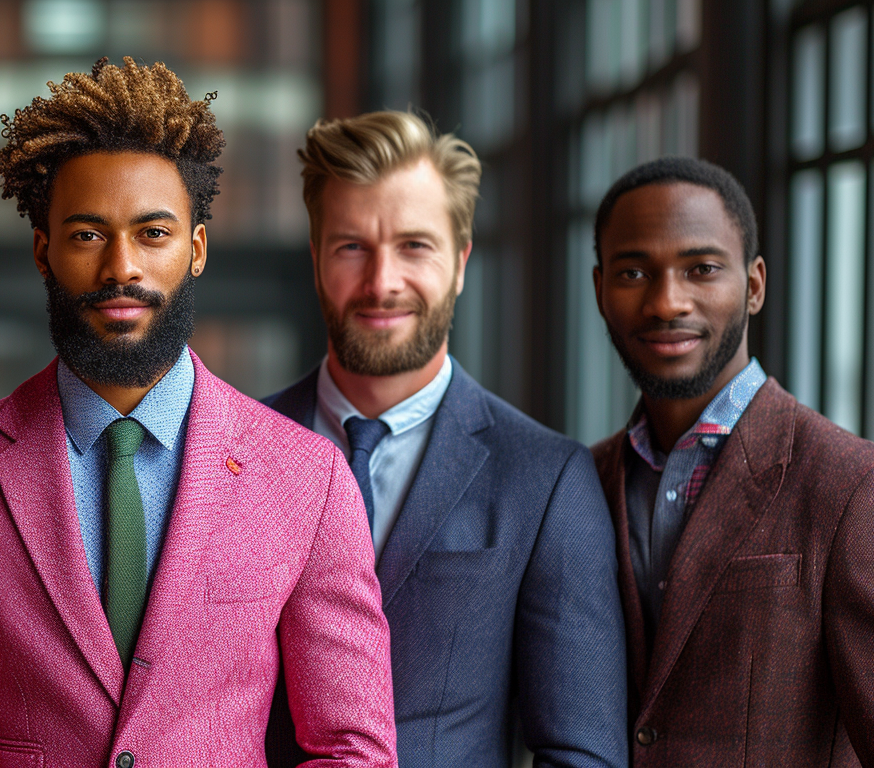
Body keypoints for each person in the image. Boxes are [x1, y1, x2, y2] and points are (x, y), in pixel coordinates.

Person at [0, 58, 397, 767]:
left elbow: (352, 749)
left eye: (153, 233)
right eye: (86, 235)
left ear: (195, 249)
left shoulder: (309, 480)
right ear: (43, 252)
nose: (121, 268)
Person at [263, 111, 627, 767]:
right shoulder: (229, 458)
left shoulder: (544, 481)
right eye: (351, 246)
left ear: (460, 262)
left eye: (414, 246)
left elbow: (582, 754)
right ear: (315, 258)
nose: (382, 283)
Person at [588, 157, 874, 766]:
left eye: (701, 268)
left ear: (754, 285)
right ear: (599, 291)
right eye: (633, 271)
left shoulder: (852, 487)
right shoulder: (583, 482)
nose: (666, 302)